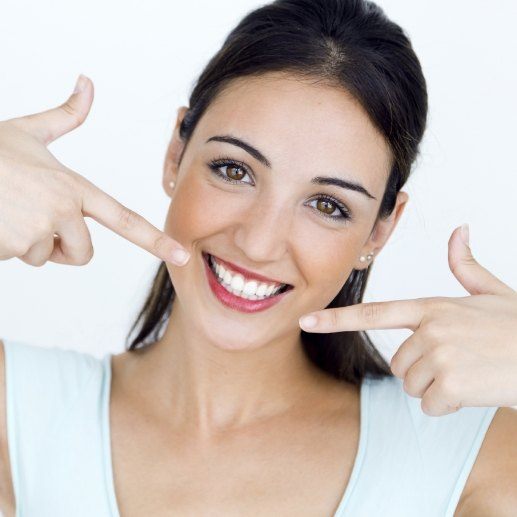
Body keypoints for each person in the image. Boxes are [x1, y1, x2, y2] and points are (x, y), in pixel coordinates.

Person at [0, 0, 514, 515]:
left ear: (380, 229)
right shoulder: (17, 414)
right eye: (234, 170)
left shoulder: (468, 457)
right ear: (175, 155)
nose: (259, 244)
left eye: (327, 205)